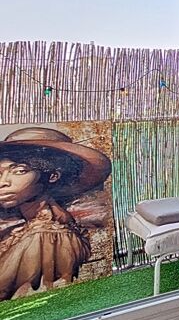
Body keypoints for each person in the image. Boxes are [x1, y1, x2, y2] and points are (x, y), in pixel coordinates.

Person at [0, 127, 111, 300]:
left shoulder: (45, 236)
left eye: (20, 171)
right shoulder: (23, 228)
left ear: (53, 176)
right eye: (0, 173)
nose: (3, 182)